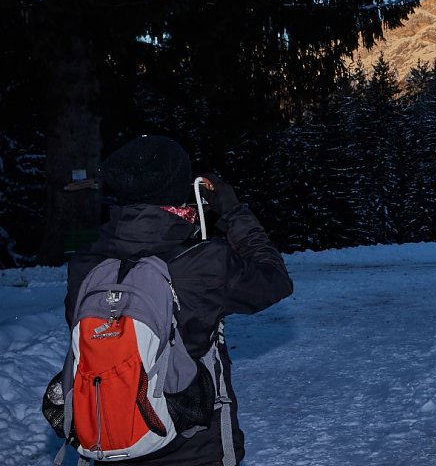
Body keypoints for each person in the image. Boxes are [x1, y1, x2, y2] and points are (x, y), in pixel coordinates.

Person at [57, 135, 293, 466]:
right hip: (195, 450)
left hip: (111, 438)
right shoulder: (206, 261)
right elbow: (275, 280)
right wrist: (233, 211)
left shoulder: (85, 265)